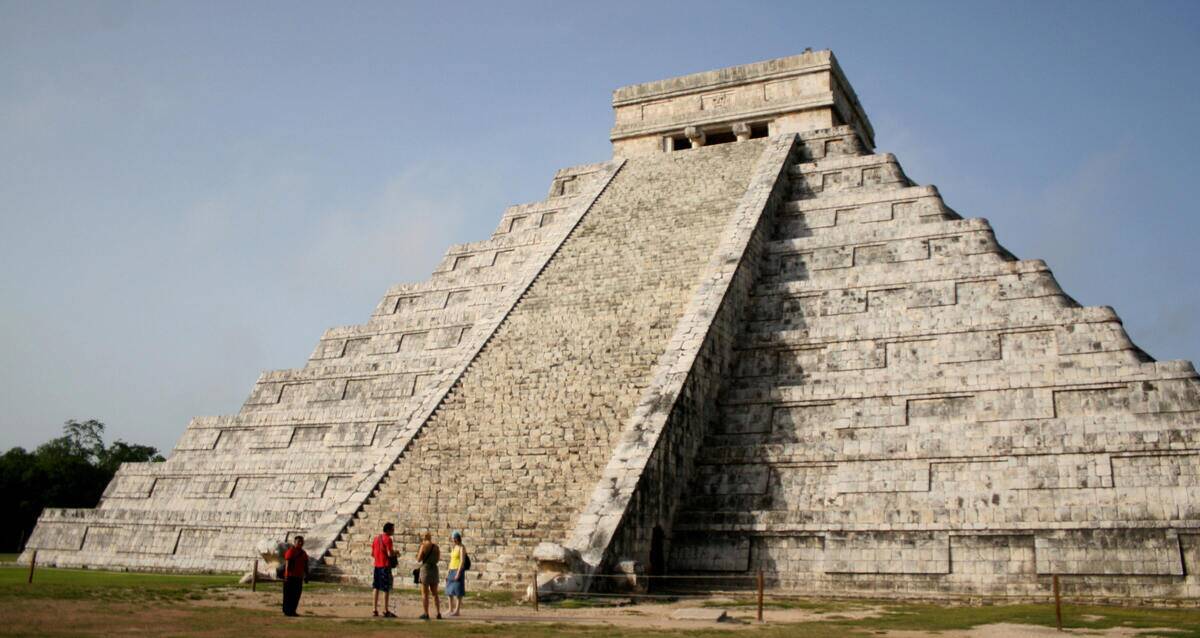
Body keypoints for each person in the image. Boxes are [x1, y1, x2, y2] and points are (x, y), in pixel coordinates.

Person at [372, 522, 397, 617]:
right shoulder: (388, 539)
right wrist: (396, 553)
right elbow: (390, 554)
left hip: (377, 565)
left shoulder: (376, 539)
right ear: (388, 530)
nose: (393, 531)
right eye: (392, 529)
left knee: (376, 587)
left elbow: (373, 554)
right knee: (385, 588)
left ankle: (374, 609)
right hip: (385, 566)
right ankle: (385, 609)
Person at [415, 532, 442, 620]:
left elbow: (419, 559)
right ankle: (438, 612)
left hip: (425, 569)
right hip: (434, 569)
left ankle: (426, 613)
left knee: (425, 594)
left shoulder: (423, 546)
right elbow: (438, 560)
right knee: (435, 593)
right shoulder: (436, 547)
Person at [281, 535, 308, 617]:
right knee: (288, 595)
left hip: (299, 577)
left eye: (301, 541)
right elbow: (287, 563)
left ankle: (293, 610)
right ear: (295, 542)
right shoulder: (291, 551)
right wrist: (286, 575)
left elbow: (306, 565)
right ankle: (286, 611)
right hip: (290, 576)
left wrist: (306, 575)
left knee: (296, 595)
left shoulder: (304, 553)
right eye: (298, 541)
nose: (300, 543)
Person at [445, 531, 468, 616]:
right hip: (451, 570)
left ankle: (457, 611)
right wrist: (448, 572)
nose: (453, 540)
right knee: (449, 591)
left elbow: (462, 561)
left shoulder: (462, 547)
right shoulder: (454, 547)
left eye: (454, 538)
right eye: (453, 538)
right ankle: (450, 609)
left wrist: (458, 573)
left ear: (458, 538)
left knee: (458, 591)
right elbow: (451, 560)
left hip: (458, 570)